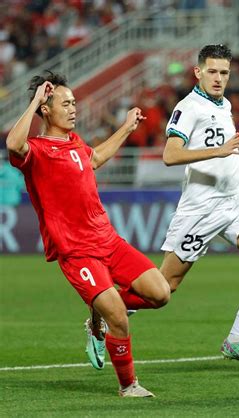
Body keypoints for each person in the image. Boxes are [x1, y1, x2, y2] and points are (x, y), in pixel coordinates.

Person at [6, 72, 170, 397]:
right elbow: (13, 143)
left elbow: (94, 159)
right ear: (46, 111)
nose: (73, 109)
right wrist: (36, 100)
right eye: (65, 103)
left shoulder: (75, 142)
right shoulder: (35, 152)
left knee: (161, 293)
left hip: (108, 240)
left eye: (74, 103)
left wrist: (126, 128)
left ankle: (100, 312)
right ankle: (128, 386)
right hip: (76, 251)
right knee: (120, 318)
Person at [160, 44, 239, 369]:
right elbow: (170, 155)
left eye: (224, 73)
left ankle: (237, 340)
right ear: (198, 72)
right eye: (212, 71)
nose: (218, 78)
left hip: (232, 202)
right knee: (163, 287)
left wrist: (224, 153)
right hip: (201, 209)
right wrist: (219, 151)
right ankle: (102, 319)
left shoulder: (224, 104)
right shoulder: (188, 107)